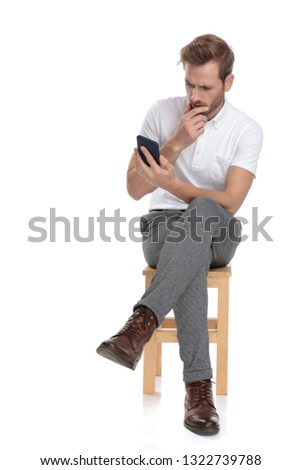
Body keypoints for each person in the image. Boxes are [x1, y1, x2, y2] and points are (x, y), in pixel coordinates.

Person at [96, 34, 263, 435]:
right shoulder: (161, 113)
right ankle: (198, 392)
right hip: (162, 229)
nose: (195, 95)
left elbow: (231, 201)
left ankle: (141, 322)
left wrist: (173, 186)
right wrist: (176, 143)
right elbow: (135, 190)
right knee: (187, 256)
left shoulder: (247, 130)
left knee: (205, 211)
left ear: (229, 82)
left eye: (206, 86)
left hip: (218, 232)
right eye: (189, 84)